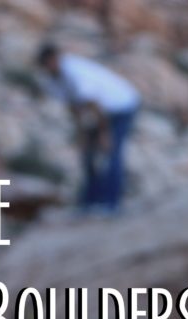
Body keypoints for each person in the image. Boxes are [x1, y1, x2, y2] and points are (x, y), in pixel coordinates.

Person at [36, 43, 140, 214]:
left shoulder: (74, 72)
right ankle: (91, 201)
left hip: (121, 106)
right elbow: (74, 107)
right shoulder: (54, 79)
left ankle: (112, 203)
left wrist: (104, 133)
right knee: (88, 156)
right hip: (99, 113)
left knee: (112, 152)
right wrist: (82, 134)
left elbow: (94, 103)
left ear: (55, 59)